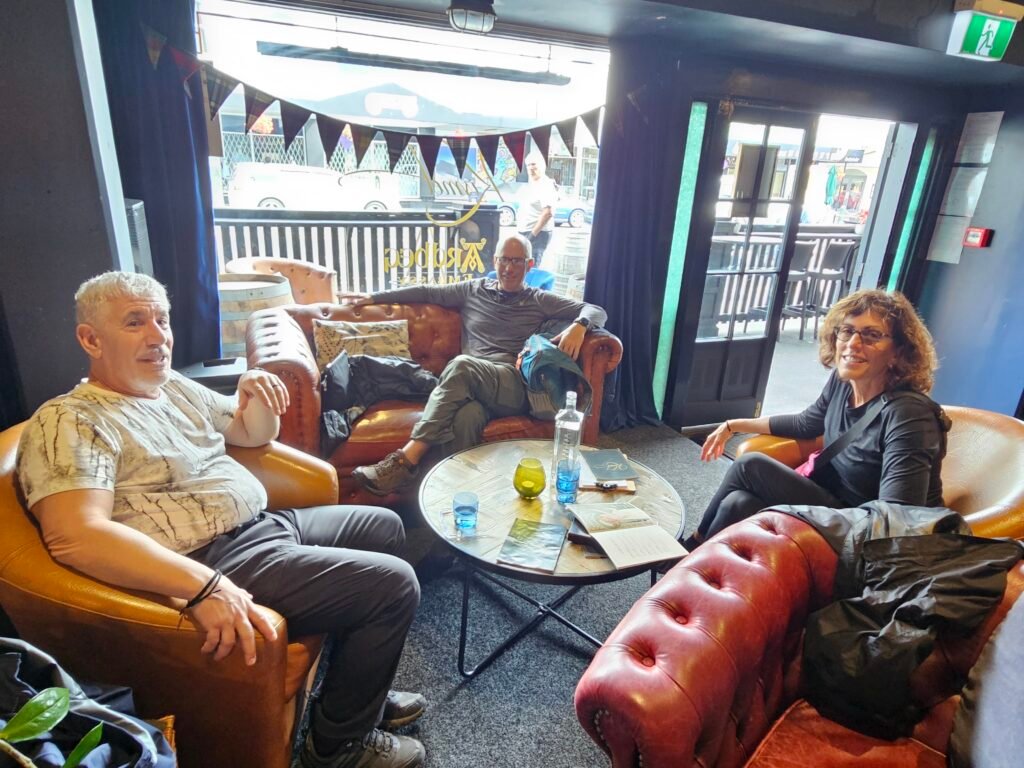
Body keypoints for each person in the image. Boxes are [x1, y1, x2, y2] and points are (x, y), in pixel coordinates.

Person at [15, 272, 426, 768]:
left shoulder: (171, 387)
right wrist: (203, 586)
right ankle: (338, 748)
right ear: (91, 339)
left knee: (383, 527)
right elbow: (76, 535)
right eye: (135, 322)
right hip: (210, 558)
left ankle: (354, 696)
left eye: (162, 320)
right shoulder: (71, 419)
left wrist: (254, 392)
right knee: (393, 586)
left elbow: (250, 433)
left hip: (260, 526)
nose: (158, 336)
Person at [687, 289, 947, 550]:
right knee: (738, 504)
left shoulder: (909, 416)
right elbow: (805, 423)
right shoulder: (843, 382)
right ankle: (693, 564)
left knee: (749, 465)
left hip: (867, 528)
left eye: (871, 335)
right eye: (847, 331)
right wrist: (734, 425)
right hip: (834, 501)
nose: (853, 343)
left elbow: (896, 520)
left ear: (898, 352)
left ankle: (689, 548)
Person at [349, 234, 607, 496]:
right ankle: (453, 498)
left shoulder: (538, 299)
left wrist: (580, 326)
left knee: (462, 365)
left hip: (511, 385)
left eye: (517, 261)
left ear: (529, 265)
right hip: (472, 387)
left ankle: (406, 460)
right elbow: (426, 291)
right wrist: (372, 297)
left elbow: (596, 310)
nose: (509, 268)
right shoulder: (473, 290)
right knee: (466, 416)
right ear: (495, 261)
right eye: (504, 260)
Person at [516, 151, 558, 268]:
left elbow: (547, 213)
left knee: (530, 269)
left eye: (534, 164)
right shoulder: (534, 183)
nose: (531, 168)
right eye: (528, 165)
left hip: (537, 234)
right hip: (526, 232)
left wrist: (532, 235)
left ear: (542, 165)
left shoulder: (545, 184)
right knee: (522, 267)